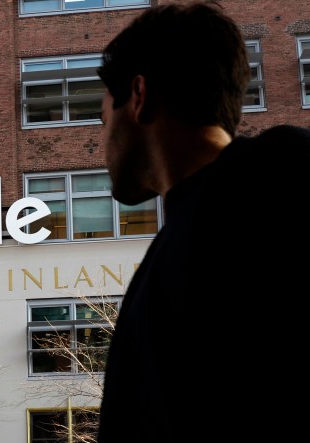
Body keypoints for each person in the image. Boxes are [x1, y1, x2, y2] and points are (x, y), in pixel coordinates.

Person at [97, 2, 310, 442]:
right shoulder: (183, 234)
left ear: (138, 96)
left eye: (103, 121)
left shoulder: (278, 173)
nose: (103, 143)